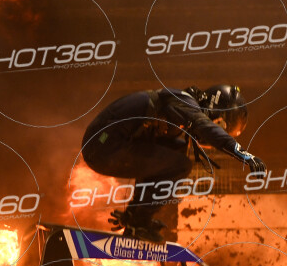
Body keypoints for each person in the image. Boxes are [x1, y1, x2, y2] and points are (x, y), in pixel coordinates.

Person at [80, 84, 266, 242]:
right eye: (220, 126)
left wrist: (132, 214)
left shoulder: (176, 118)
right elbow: (204, 127)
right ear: (213, 111)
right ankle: (138, 221)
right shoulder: (183, 101)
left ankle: (135, 219)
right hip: (103, 143)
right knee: (180, 165)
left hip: (105, 148)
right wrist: (244, 156)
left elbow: (150, 168)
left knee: (175, 152)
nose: (210, 139)